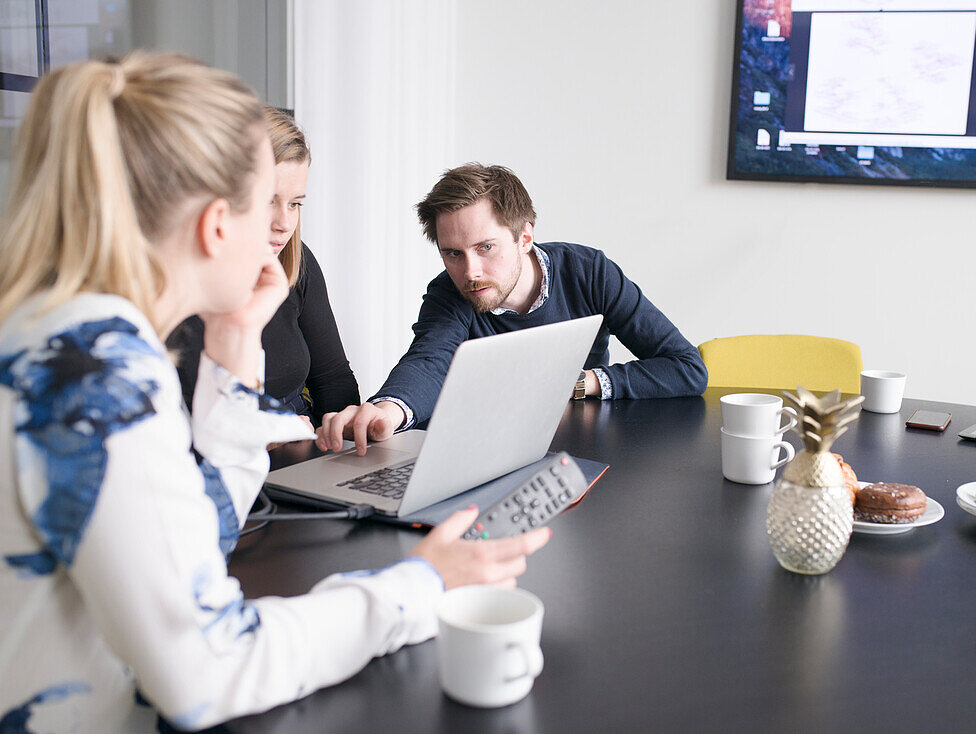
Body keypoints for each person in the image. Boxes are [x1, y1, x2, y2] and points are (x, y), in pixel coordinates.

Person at [0, 54, 549, 733]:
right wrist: (423, 584)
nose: (282, 230)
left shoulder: (63, 334)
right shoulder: (95, 382)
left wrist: (234, 345)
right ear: (216, 226)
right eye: (266, 206)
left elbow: (191, 539)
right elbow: (207, 668)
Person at [316, 163, 707, 454]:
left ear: (524, 237)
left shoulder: (589, 272)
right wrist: (388, 411)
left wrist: (579, 383)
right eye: (453, 253)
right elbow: (428, 362)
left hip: (577, 453)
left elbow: (687, 368)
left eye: (486, 248)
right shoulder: (448, 295)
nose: (470, 272)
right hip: (482, 457)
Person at [168, 106, 360, 424]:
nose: (285, 223)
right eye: (269, 200)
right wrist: (267, 432)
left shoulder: (296, 261)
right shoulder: (179, 286)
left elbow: (334, 380)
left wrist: (343, 434)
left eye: (295, 204)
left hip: (300, 441)